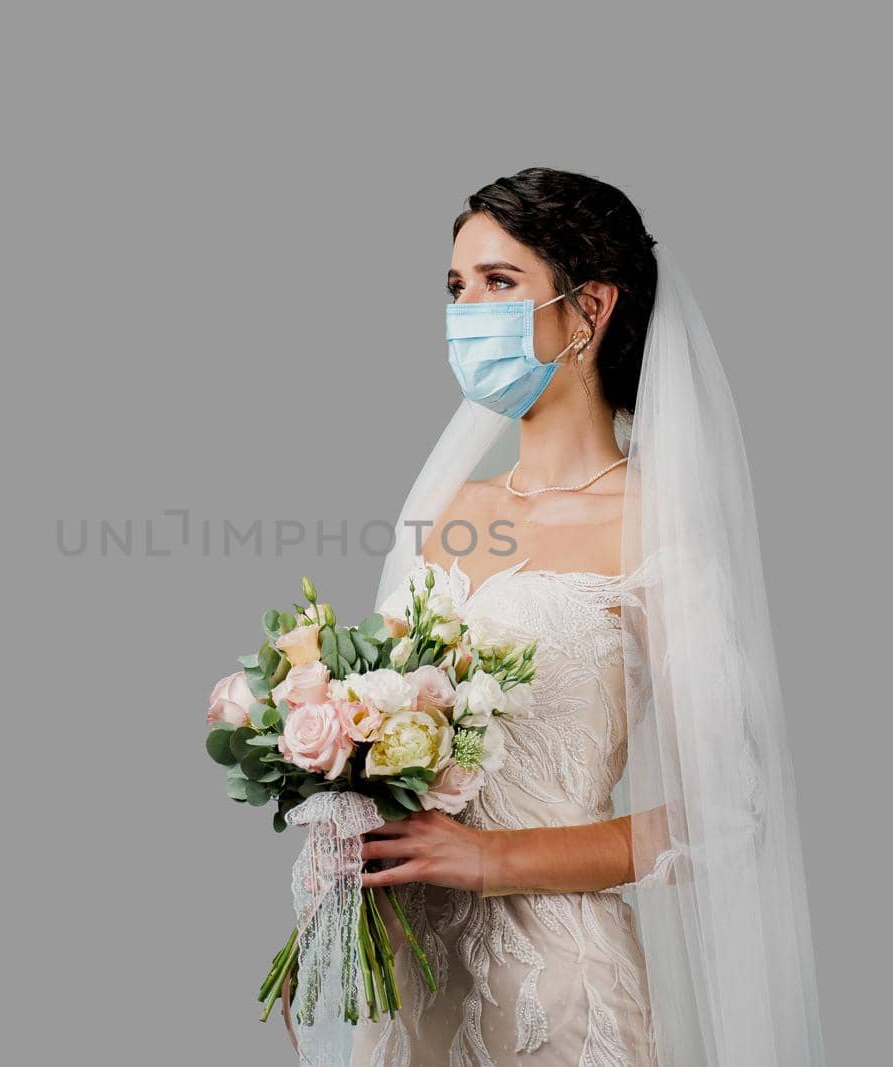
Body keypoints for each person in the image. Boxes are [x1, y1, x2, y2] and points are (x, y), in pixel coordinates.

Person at [344, 168, 827, 1066]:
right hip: (408, 978)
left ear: (589, 308)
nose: (466, 311)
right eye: (456, 287)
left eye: (499, 283)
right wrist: (331, 925)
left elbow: (726, 811)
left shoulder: (651, 522)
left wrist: (494, 859)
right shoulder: (445, 510)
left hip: (553, 993)